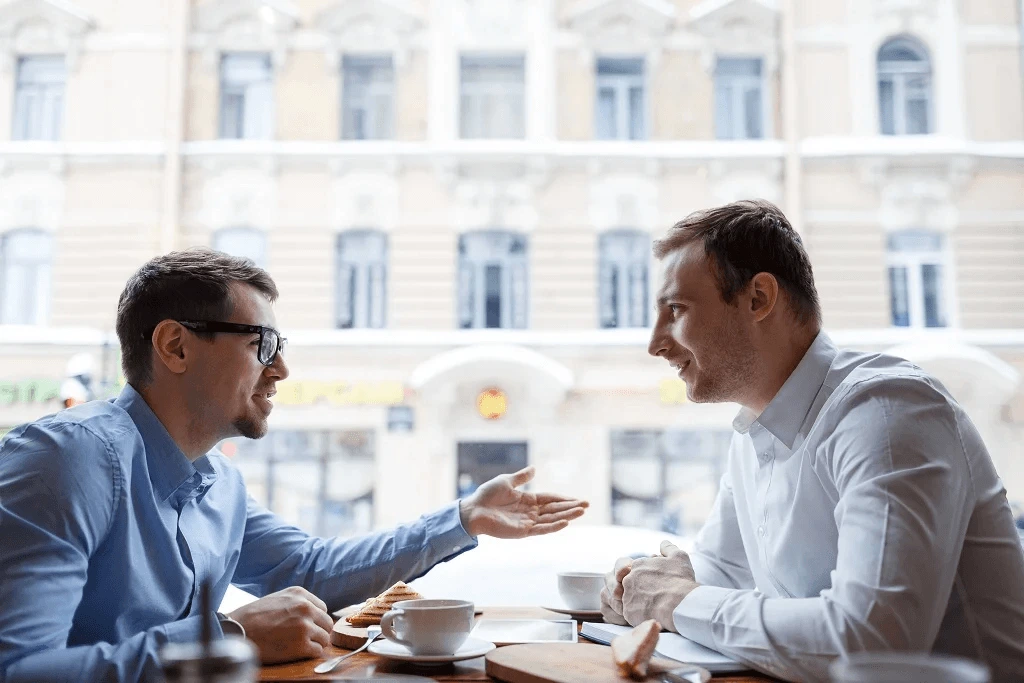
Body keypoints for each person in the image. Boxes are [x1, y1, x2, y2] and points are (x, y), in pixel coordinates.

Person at [0, 249, 589, 682]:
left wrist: (464, 518)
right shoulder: (65, 461)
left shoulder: (216, 481)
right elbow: (20, 669)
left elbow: (310, 569)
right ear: (175, 346)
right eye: (262, 343)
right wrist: (226, 636)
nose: (281, 369)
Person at [600, 200, 1024, 681]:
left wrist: (677, 600)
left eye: (676, 310)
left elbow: (870, 640)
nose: (655, 343)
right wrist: (645, 586)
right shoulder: (752, 432)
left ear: (759, 298)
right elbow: (717, 577)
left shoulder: (886, 412)